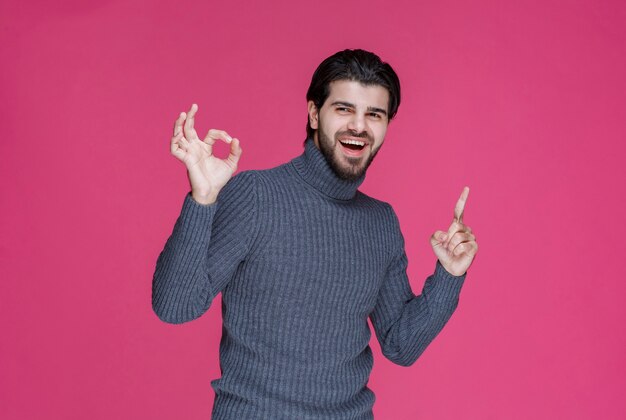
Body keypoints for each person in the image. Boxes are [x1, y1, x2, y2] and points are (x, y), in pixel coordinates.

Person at [152, 49, 478, 420]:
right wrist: (203, 200)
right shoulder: (256, 195)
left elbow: (401, 345)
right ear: (313, 114)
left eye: (374, 114)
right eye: (344, 109)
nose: (359, 126)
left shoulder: (380, 222)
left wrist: (450, 276)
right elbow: (175, 306)